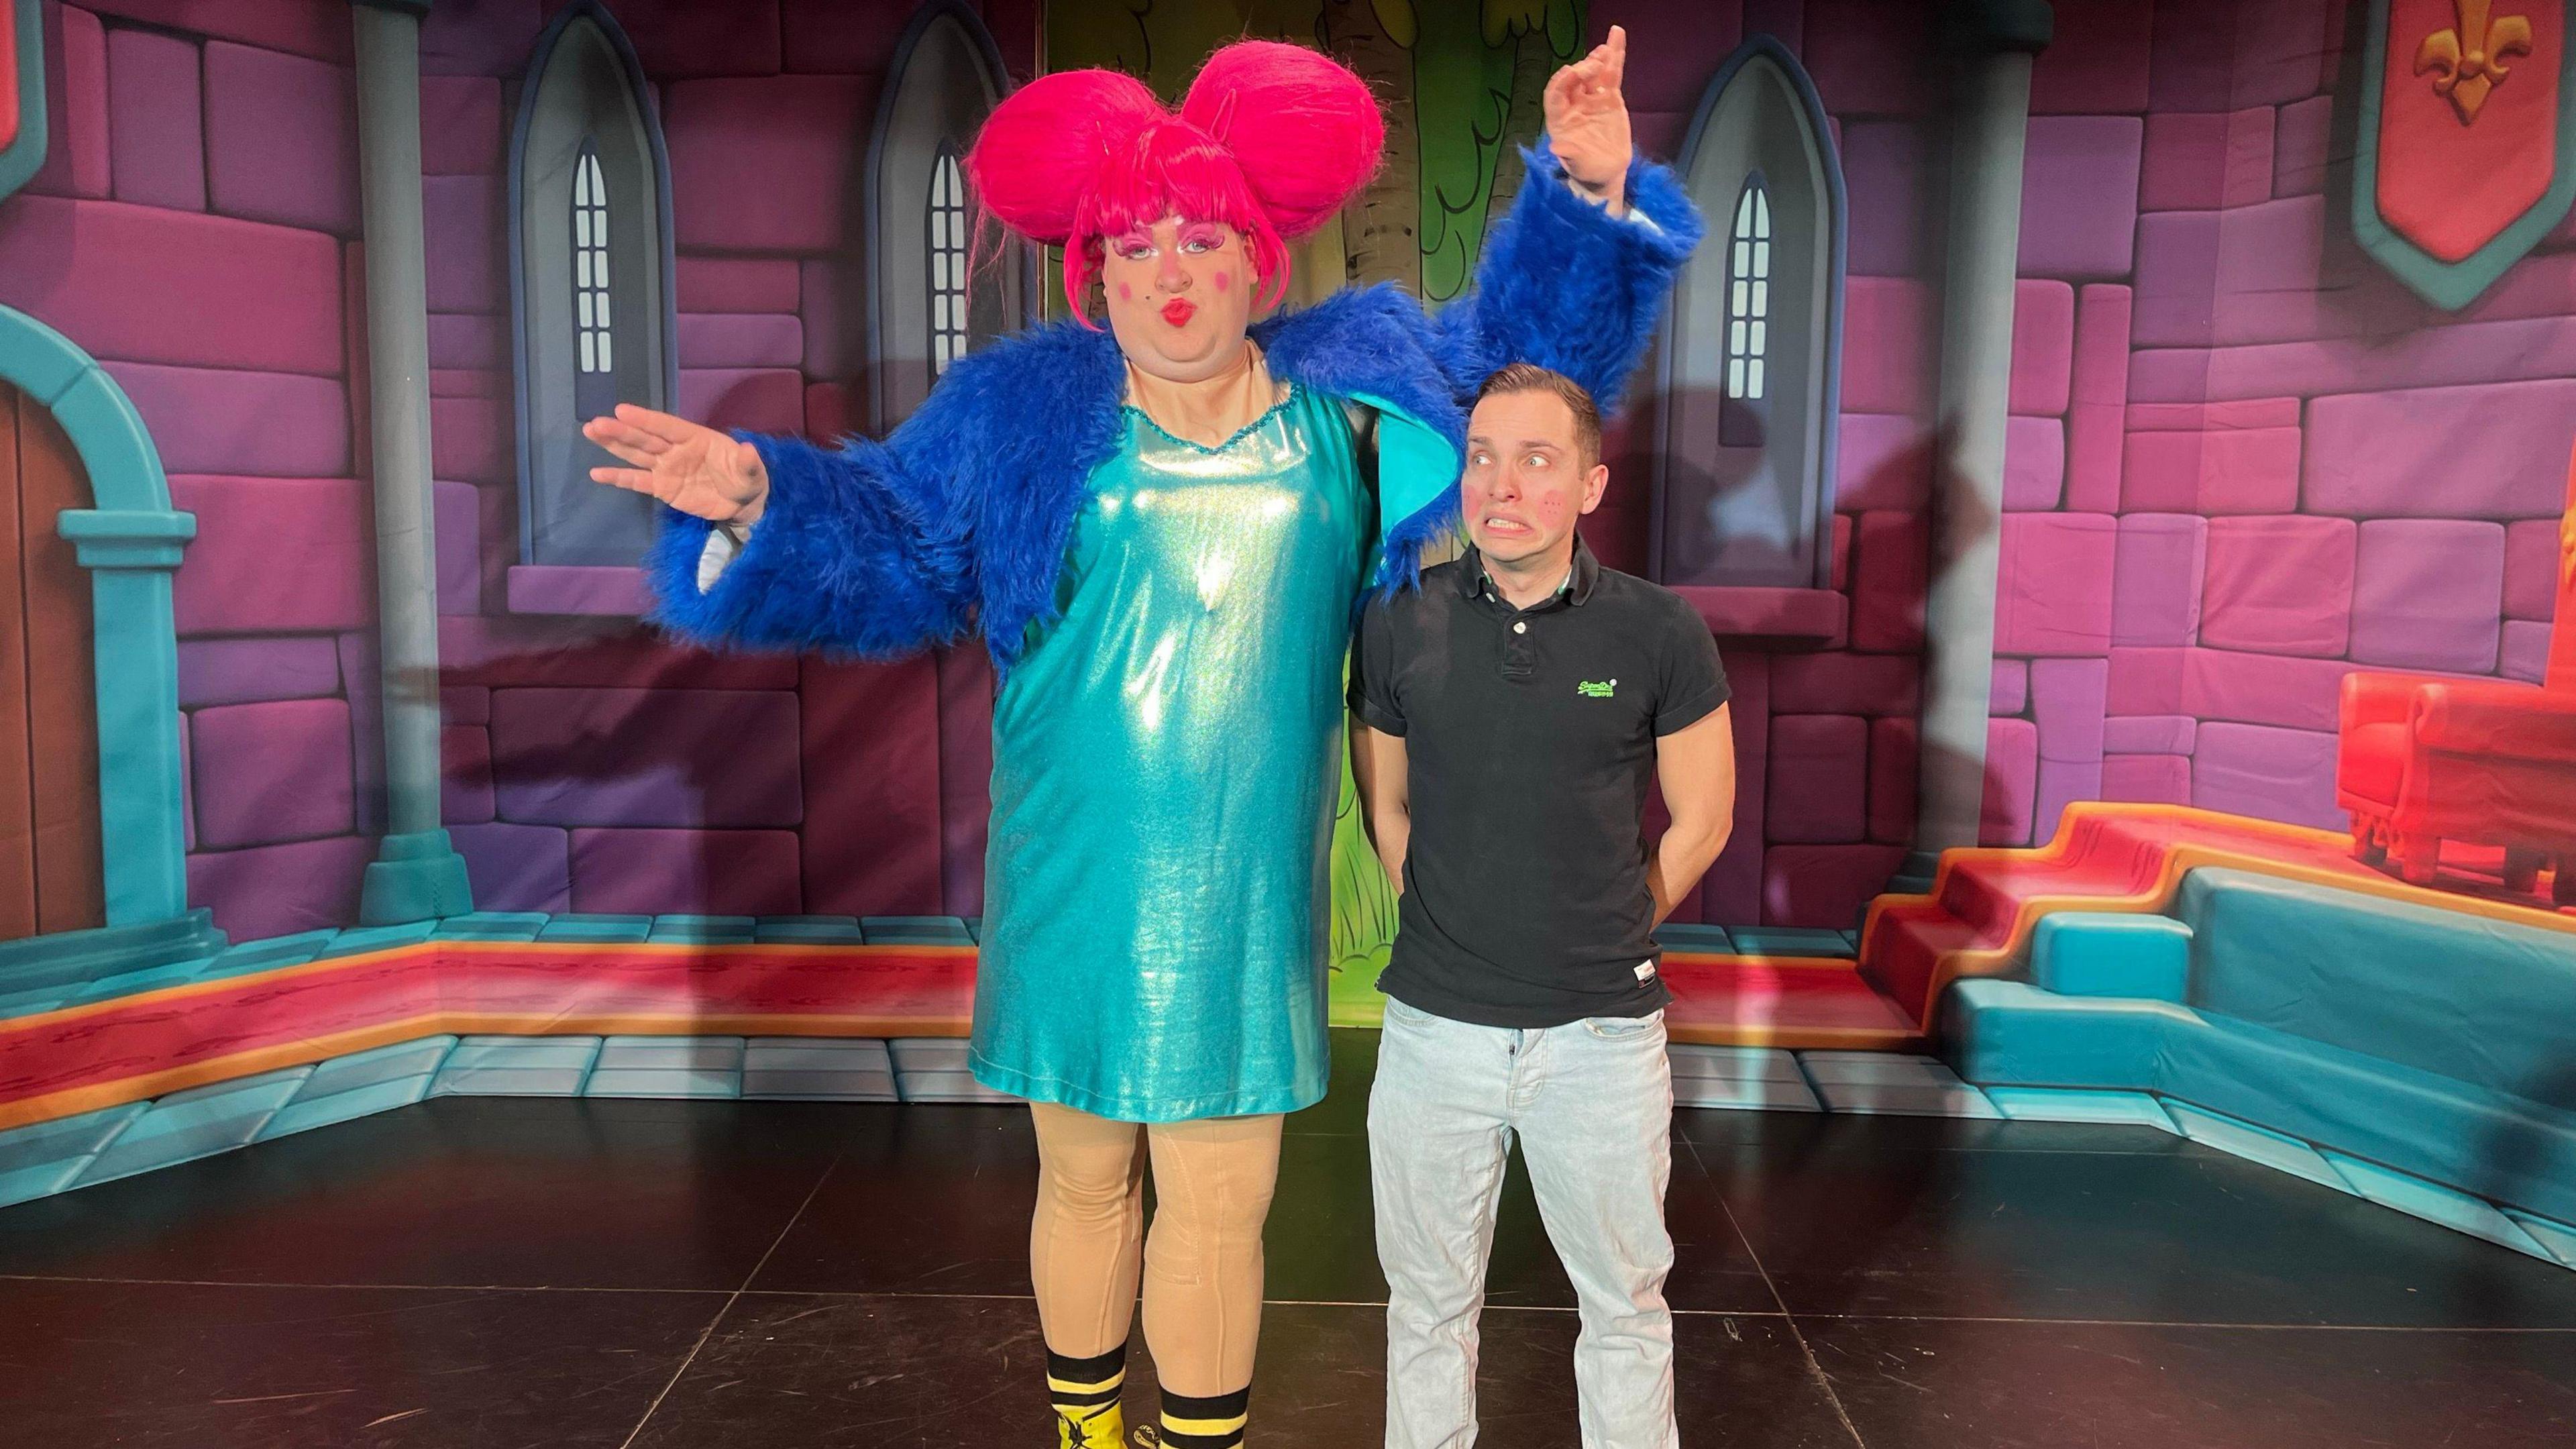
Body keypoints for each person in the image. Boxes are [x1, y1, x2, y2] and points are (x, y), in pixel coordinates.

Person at [580, 34, 1699, 1449]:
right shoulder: (1019, 417)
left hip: (1243, 889)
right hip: (1072, 879)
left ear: (1257, 263)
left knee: (1225, 1198)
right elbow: (891, 537)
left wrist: (1587, 198)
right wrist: (754, 495)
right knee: (1086, 1179)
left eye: (1205, 237)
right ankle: (1088, 1432)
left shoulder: (1356, 414)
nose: (1173, 271)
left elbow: (1521, 382)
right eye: (1138, 245)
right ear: (1096, 276)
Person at [1350, 364, 1737, 1448]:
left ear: (1592, 485)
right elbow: (1387, 811)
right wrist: (1457, 920)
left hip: (1603, 1041)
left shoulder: (1661, 634)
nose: (1500, 485)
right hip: (1434, 1033)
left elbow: (1701, 820)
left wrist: (1609, 924)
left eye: (1534, 459)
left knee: (1624, 1307)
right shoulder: (1399, 624)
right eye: (1482, 457)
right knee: (1425, 1310)